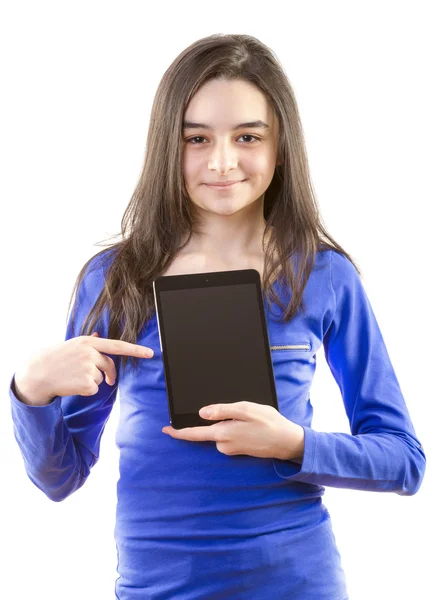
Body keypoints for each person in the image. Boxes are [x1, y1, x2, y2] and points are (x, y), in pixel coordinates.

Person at [9, 33, 426, 600]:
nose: (222, 161)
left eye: (247, 136)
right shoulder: (114, 279)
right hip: (157, 591)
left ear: (281, 147)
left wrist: (293, 443)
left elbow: (403, 460)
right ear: (166, 147)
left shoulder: (325, 276)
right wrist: (28, 392)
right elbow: (60, 478)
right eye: (196, 138)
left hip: (297, 585)